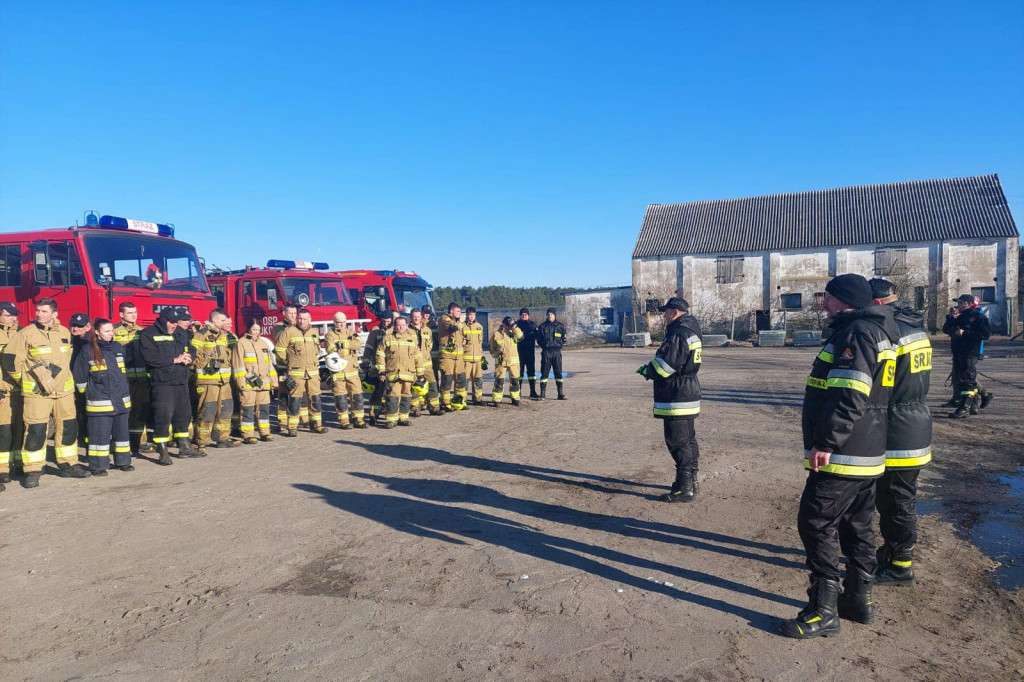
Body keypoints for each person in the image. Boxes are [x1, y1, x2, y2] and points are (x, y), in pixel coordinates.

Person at [780, 274, 900, 639]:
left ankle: (823, 611)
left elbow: (850, 395)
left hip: (845, 454)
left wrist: (827, 443)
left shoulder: (856, 334)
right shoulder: (877, 330)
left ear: (845, 300)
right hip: (867, 450)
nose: (823, 303)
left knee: (815, 522)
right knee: (857, 525)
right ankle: (858, 600)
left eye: (828, 297)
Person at [869, 279, 933, 586]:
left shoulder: (891, 330)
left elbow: (881, 383)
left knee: (896, 501)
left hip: (897, 429)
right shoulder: (912, 323)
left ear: (877, 302)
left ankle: (900, 566)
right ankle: (894, 552)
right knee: (897, 497)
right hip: (914, 419)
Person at [4, 298, 88, 486]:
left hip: (64, 393)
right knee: (36, 431)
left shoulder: (65, 332)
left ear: (54, 314)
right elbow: (10, 361)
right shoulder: (26, 333)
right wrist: (27, 380)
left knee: (68, 428)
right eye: (38, 311)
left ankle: (69, 465)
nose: (39, 314)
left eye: (44, 311)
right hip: (37, 394)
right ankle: (33, 470)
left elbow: (66, 362)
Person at [636, 297, 703, 502]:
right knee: (688, 439)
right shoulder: (691, 329)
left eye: (666, 312)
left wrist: (648, 370)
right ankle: (690, 481)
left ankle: (685, 488)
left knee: (678, 442)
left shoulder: (678, 333)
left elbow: (666, 366)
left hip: (676, 395)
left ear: (674, 312)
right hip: (687, 391)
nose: (664, 315)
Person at [139, 308, 204, 464]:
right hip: (162, 383)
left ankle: (185, 447)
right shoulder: (148, 334)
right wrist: (175, 360)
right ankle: (162, 451)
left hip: (181, 380)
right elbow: (150, 357)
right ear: (162, 320)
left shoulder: (180, 333)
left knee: (184, 414)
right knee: (163, 416)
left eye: (176, 322)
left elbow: (191, 349)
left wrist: (190, 357)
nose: (174, 325)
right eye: (171, 322)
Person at [73, 318, 133, 475]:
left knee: (122, 435)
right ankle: (98, 466)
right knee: (99, 437)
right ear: (97, 333)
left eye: (112, 330)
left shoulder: (118, 348)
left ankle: (123, 461)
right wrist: (89, 394)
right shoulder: (88, 350)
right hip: (99, 402)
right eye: (107, 331)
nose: (111, 333)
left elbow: (122, 373)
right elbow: (80, 377)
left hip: (121, 400)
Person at [192, 308, 238, 450]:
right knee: (207, 410)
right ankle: (202, 441)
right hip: (208, 381)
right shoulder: (201, 335)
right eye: (222, 320)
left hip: (224, 382)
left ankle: (222, 438)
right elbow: (193, 356)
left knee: (225, 409)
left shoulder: (223, 336)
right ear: (213, 320)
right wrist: (205, 366)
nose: (225, 323)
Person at [276, 308, 325, 435]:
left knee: (315, 398)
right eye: (299, 318)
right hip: (296, 372)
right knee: (295, 399)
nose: (301, 321)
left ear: (310, 319)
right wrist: (288, 363)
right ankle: (292, 427)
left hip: (313, 372)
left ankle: (316, 424)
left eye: (304, 319)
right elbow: (279, 350)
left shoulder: (314, 332)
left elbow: (317, 350)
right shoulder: (288, 332)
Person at [942, 294, 992, 418]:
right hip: (958, 351)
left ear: (968, 304)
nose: (957, 305)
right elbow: (946, 329)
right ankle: (974, 404)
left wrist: (965, 333)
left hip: (970, 352)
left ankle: (964, 408)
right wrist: (951, 318)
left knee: (967, 379)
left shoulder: (978, 317)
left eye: (960, 303)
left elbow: (985, 334)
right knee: (961, 378)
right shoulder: (959, 317)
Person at [374, 316, 427, 428]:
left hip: (408, 374)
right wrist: (381, 372)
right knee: (393, 396)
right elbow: (380, 355)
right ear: (394, 326)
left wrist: (420, 373)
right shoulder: (387, 339)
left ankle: (404, 418)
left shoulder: (412, 339)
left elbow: (418, 357)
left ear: (407, 325)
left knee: (406, 396)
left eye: (403, 325)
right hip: (393, 374)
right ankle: (391, 420)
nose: (401, 327)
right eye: (398, 325)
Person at [113, 302, 152, 458]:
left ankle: (139, 443)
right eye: (129, 312)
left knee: (139, 411)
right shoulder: (114, 331)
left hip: (141, 379)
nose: (133, 315)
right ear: (121, 314)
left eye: (135, 312)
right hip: (124, 380)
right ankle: (121, 443)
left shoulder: (142, 331)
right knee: (124, 413)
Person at [232, 319, 279, 443]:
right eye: (254, 329)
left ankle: (265, 432)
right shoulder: (241, 343)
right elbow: (238, 366)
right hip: (248, 384)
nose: (256, 332)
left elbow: (270, 365)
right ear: (248, 329)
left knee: (264, 409)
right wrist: (241, 384)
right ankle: (248, 435)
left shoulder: (263, 343)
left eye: (258, 330)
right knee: (247, 410)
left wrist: (274, 382)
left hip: (264, 383)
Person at [324, 312, 366, 429]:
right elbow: (331, 349)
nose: (341, 324)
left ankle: (358, 419)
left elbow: (358, 344)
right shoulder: (329, 335)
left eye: (343, 322)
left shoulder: (351, 333)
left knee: (357, 395)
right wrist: (348, 346)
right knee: (340, 397)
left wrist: (341, 344)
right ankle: (344, 420)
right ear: (334, 322)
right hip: (338, 371)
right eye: (338, 322)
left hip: (352, 370)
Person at [0, 301, 23, 492]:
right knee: (4, 431)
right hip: (4, 391)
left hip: (22, 390)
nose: (14, 318)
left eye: (15, 315)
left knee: (20, 428)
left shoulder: (21, 333)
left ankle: (18, 464)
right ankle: (3, 469)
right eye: (9, 315)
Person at [363, 310, 398, 424]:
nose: (386, 323)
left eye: (388, 321)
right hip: (377, 366)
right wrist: (365, 364)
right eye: (384, 321)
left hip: (392, 366)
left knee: (391, 391)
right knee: (377, 392)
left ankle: (390, 413)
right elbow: (368, 348)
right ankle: (374, 415)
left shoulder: (395, 330)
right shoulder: (375, 330)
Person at [436, 303, 468, 410]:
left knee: (461, 379)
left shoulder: (457, 321)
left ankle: (458, 401)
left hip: (458, 357)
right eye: (457, 311)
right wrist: (462, 323)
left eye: (460, 311)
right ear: (451, 311)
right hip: (447, 356)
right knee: (447, 379)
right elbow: (453, 328)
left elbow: (462, 334)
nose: (459, 313)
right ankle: (445, 402)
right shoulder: (444, 318)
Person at [409, 309, 441, 415]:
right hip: (413, 364)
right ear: (410, 317)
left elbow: (430, 346)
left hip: (426, 364)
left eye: (418, 316)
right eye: (414, 316)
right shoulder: (407, 331)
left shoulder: (427, 330)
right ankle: (415, 408)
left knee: (433, 385)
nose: (416, 318)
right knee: (414, 387)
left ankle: (434, 408)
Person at [272, 304, 298, 430]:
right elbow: (279, 338)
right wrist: (291, 329)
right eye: (290, 313)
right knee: (283, 393)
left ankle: (299, 418)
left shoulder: (298, 327)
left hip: (296, 366)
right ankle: (282, 420)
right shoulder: (278, 327)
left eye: (295, 313)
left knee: (297, 392)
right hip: (283, 366)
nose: (293, 316)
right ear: (284, 313)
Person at [69, 313, 92, 450]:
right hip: (68, 383)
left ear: (88, 327)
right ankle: (78, 437)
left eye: (80, 326)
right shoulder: (65, 340)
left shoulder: (91, 343)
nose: (76, 329)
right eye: (73, 325)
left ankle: (87, 437)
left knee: (87, 412)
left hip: (87, 383)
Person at [489, 316, 524, 406]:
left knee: (515, 381)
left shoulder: (514, 332)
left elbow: (521, 337)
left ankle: (515, 398)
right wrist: (497, 355)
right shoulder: (497, 334)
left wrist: (514, 326)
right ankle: (497, 399)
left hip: (513, 362)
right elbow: (492, 348)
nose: (508, 325)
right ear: (503, 324)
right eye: (507, 324)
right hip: (501, 362)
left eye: (510, 324)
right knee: (499, 381)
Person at [536, 307, 567, 400]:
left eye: (551, 314)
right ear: (546, 315)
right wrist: (544, 346)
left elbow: (564, 338)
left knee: (558, 373)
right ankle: (542, 394)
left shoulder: (560, 326)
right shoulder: (542, 326)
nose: (550, 316)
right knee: (544, 373)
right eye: (548, 314)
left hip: (556, 352)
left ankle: (560, 393)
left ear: (555, 315)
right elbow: (539, 339)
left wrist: (559, 344)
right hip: (546, 352)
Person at [462, 307, 487, 405]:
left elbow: (480, 343)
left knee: (478, 379)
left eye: (473, 314)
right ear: (466, 315)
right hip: (466, 358)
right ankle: (462, 399)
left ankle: (478, 398)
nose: (471, 317)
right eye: (470, 314)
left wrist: (482, 356)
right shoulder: (462, 327)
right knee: (464, 380)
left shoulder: (479, 326)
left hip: (477, 358)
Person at [515, 308, 540, 399]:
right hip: (519, 351)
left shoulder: (533, 325)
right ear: (520, 315)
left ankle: (532, 391)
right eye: (522, 315)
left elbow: (539, 336)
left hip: (530, 351)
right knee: (519, 372)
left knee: (531, 372)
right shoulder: (516, 325)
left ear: (528, 315)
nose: (524, 316)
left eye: (526, 314)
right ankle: (518, 391)